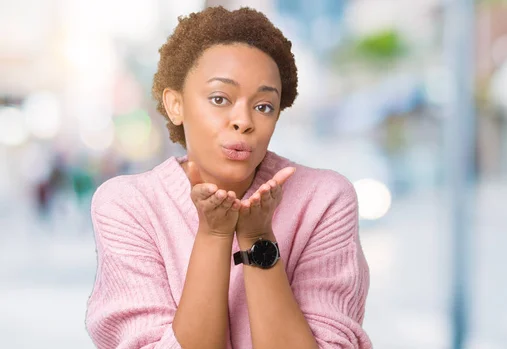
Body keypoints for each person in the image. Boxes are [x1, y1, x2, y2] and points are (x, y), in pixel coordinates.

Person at [85, 6, 371, 349]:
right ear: (176, 104)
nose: (243, 121)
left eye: (264, 106)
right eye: (220, 98)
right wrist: (215, 232)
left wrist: (258, 238)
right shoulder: (128, 205)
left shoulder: (324, 199)